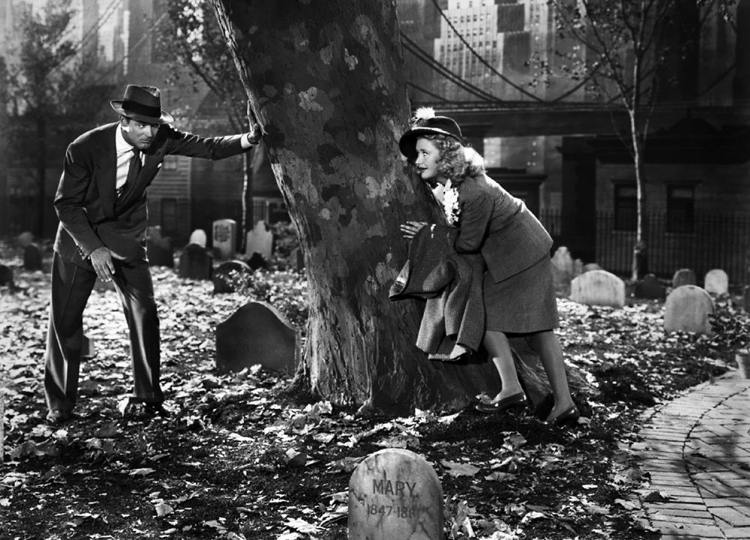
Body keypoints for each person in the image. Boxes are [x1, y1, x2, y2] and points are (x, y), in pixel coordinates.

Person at [44, 84, 262, 424]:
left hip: (126, 238)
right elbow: (66, 205)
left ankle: (147, 397)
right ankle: (60, 406)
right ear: (124, 121)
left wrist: (248, 139)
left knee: (145, 313)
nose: (150, 132)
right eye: (142, 125)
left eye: (155, 124)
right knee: (65, 323)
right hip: (78, 241)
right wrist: (94, 248)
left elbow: (208, 148)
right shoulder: (85, 148)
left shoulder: (160, 138)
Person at [398, 108, 579, 427]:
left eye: (424, 152)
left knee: (531, 326)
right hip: (508, 255)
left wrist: (430, 233)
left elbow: (468, 243)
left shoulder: (472, 190)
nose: (418, 161)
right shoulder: (455, 183)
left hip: (523, 255)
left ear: (446, 153)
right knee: (508, 322)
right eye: (417, 154)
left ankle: (552, 399)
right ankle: (525, 393)